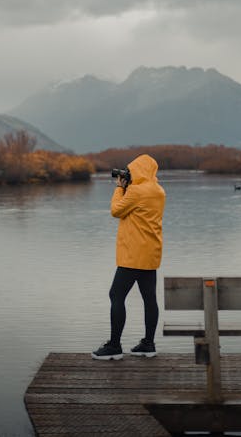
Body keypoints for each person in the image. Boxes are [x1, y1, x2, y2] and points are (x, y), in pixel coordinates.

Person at [91, 153, 166, 360]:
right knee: (149, 298)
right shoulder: (159, 191)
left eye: (131, 171)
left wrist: (119, 187)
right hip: (151, 253)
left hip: (133, 254)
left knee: (116, 295)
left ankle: (114, 346)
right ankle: (148, 344)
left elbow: (116, 211)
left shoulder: (136, 191)